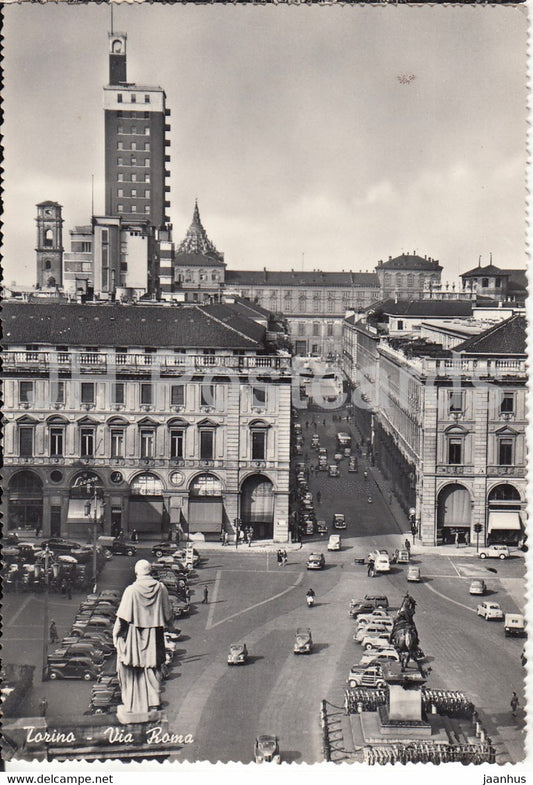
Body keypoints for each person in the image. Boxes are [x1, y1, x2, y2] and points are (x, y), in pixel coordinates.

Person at [113, 559, 173, 722]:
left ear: (137, 572)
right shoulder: (161, 588)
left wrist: (116, 634)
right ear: (150, 571)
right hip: (155, 637)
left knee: (134, 669)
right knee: (152, 669)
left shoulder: (131, 590)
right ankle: (154, 702)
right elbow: (168, 615)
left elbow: (122, 619)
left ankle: (134, 705)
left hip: (135, 637)